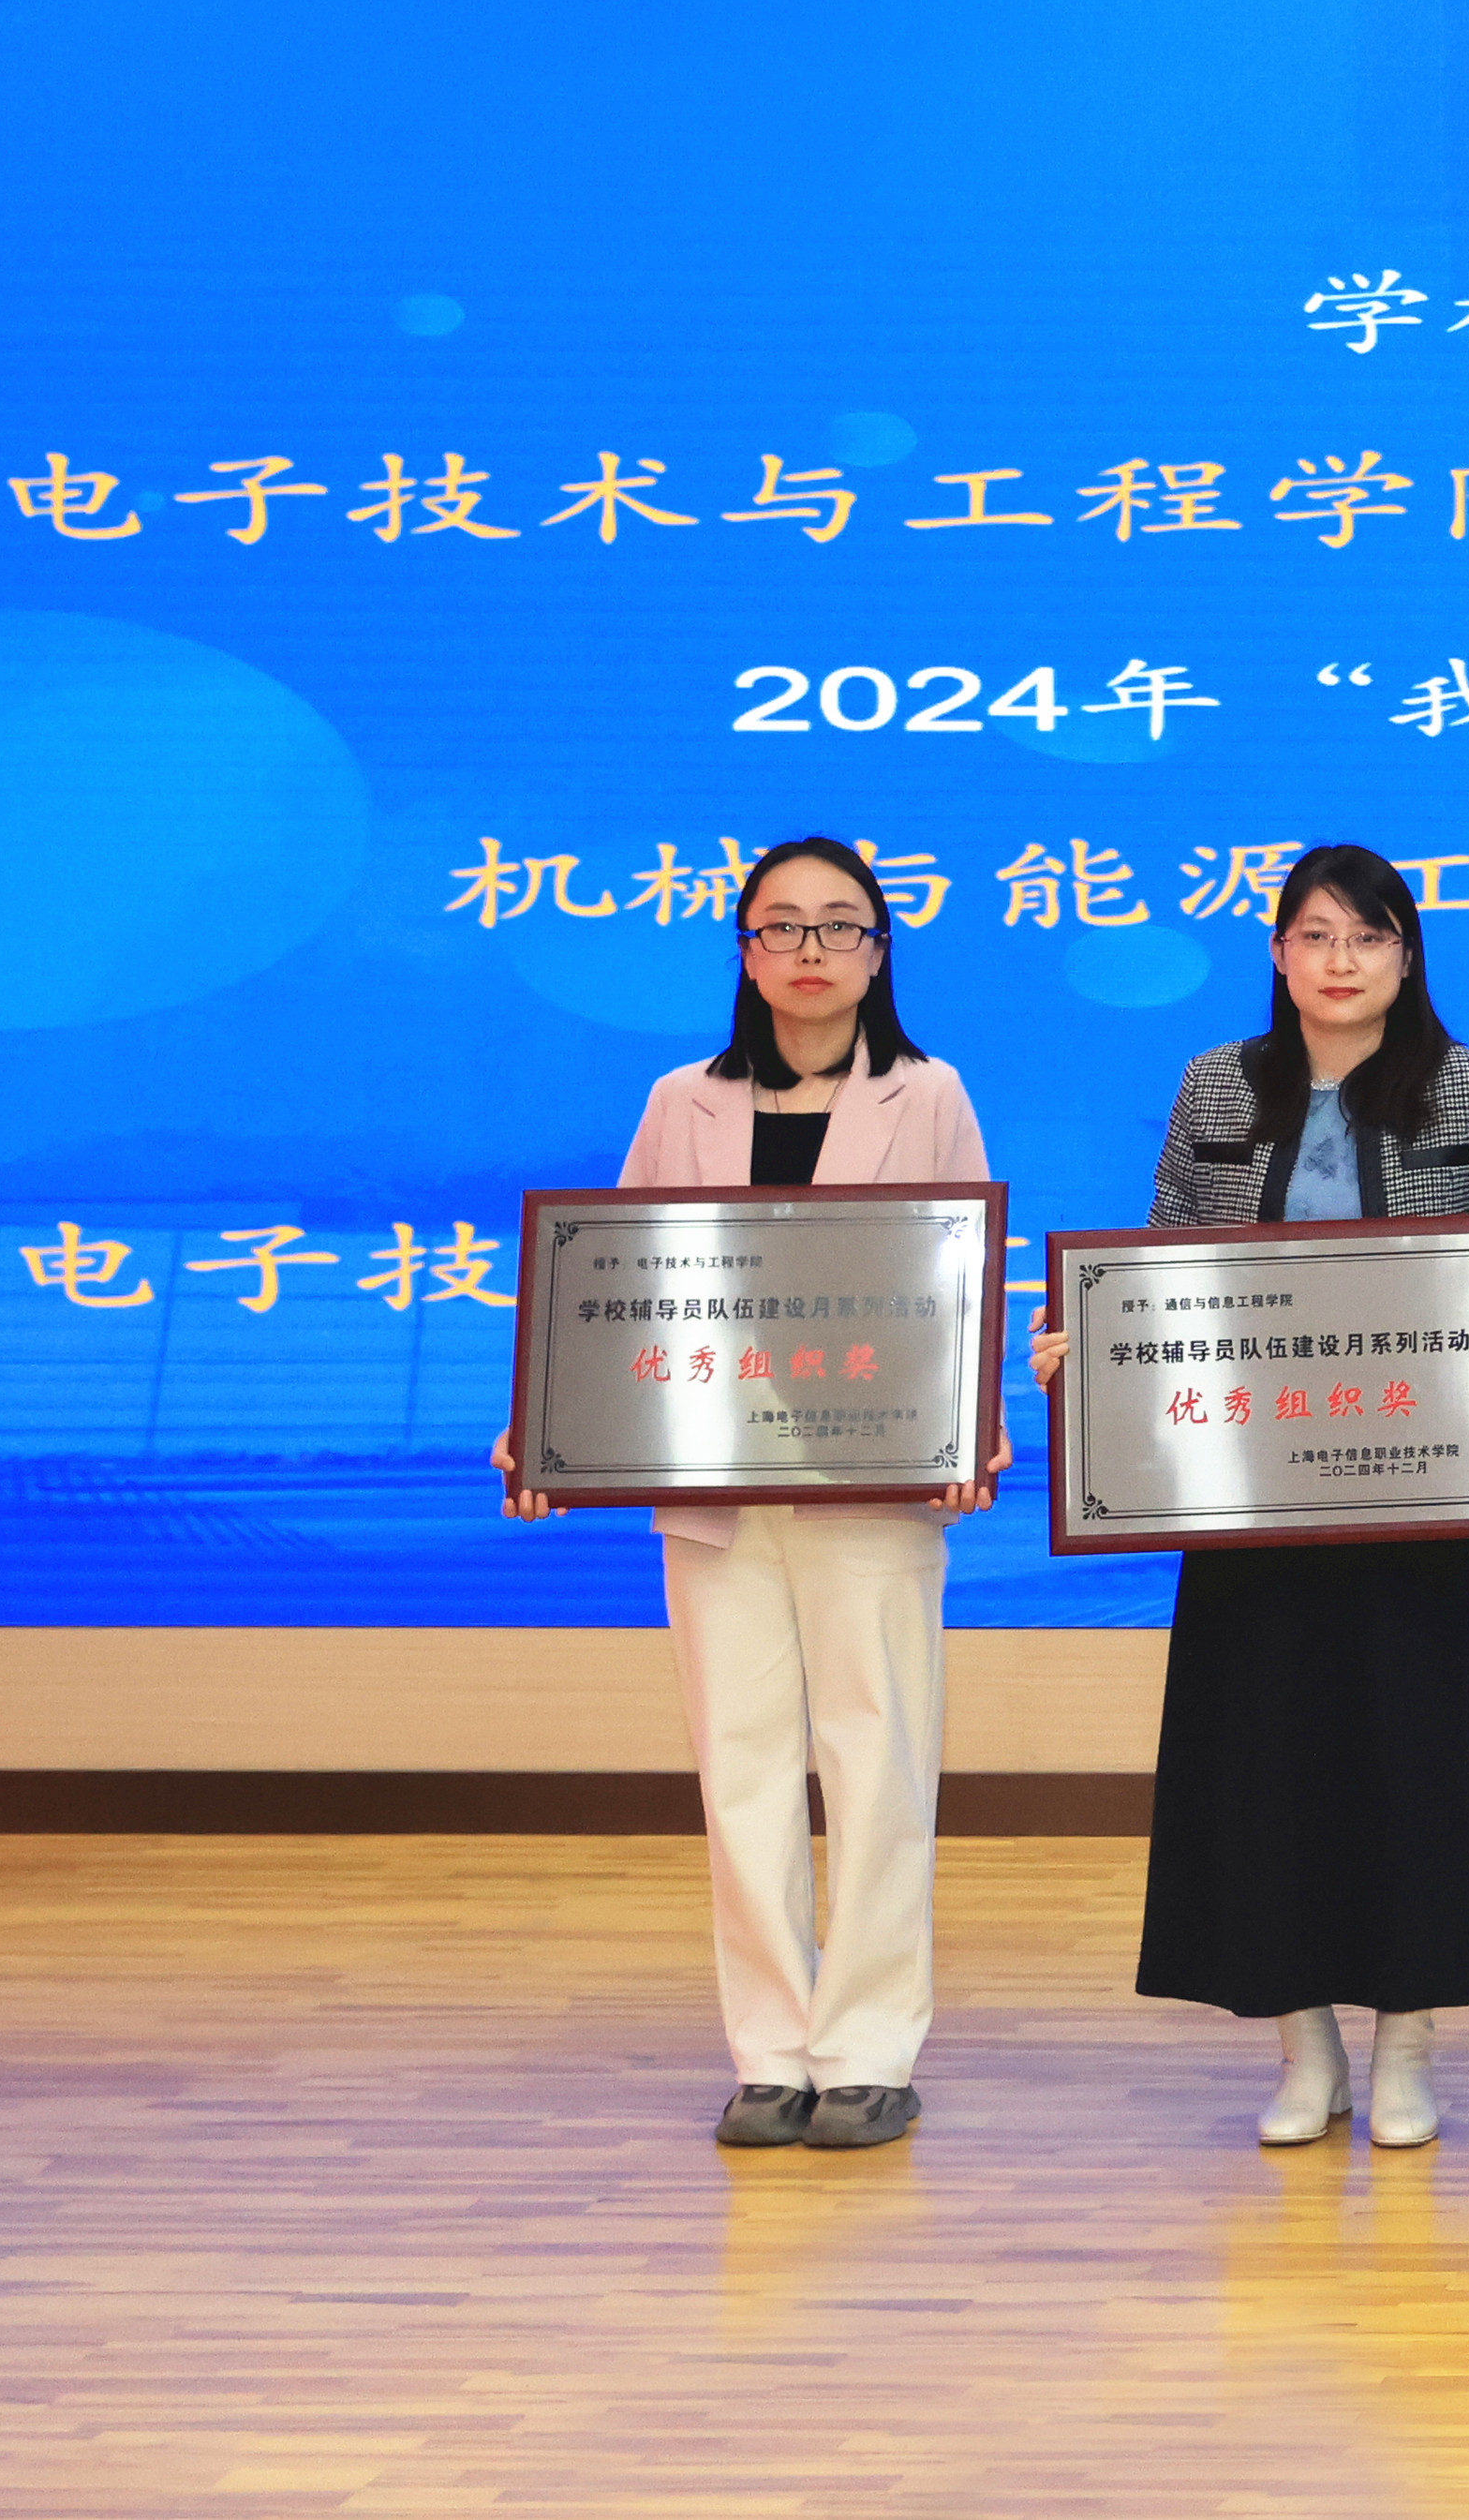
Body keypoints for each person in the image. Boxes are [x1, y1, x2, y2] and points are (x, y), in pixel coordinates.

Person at [497, 834, 995, 2153]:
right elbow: (612, 1284)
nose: (810, 950)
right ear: (745, 952)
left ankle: (870, 2051)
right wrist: (546, 1431)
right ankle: (770, 2053)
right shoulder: (684, 1100)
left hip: (870, 1482)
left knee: (878, 1761)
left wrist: (968, 1433)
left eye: (840, 926)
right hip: (717, 1485)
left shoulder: (928, 1093)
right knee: (744, 1769)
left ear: (879, 953)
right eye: (782, 926)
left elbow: (959, 1280)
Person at [1057, 846, 1469, 2151]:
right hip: (1248, 1497)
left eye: (1367, 937)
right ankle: (1304, 2048)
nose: (1340, 960)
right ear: (1276, 954)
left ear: (1406, 957)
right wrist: (1092, 1349)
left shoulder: (1467, 1084)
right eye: (1315, 935)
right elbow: (1161, 1256)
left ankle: (1410, 2046)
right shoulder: (1216, 1082)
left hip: (1415, 1493)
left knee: (1411, 1765)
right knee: (1265, 1769)